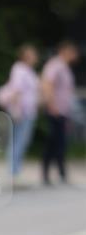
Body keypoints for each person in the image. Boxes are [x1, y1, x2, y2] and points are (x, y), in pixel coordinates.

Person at [0, 45, 40, 178]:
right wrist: (15, 110)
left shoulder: (28, 70)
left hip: (28, 111)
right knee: (18, 140)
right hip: (21, 112)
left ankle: (15, 169)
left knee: (22, 140)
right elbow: (16, 91)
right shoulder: (20, 69)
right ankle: (13, 170)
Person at [40, 41, 78, 185]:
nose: (75, 55)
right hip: (56, 111)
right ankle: (49, 173)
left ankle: (60, 173)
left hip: (63, 111)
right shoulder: (55, 65)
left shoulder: (65, 67)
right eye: (72, 52)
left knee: (59, 143)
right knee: (55, 143)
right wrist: (52, 105)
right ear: (64, 51)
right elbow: (47, 83)